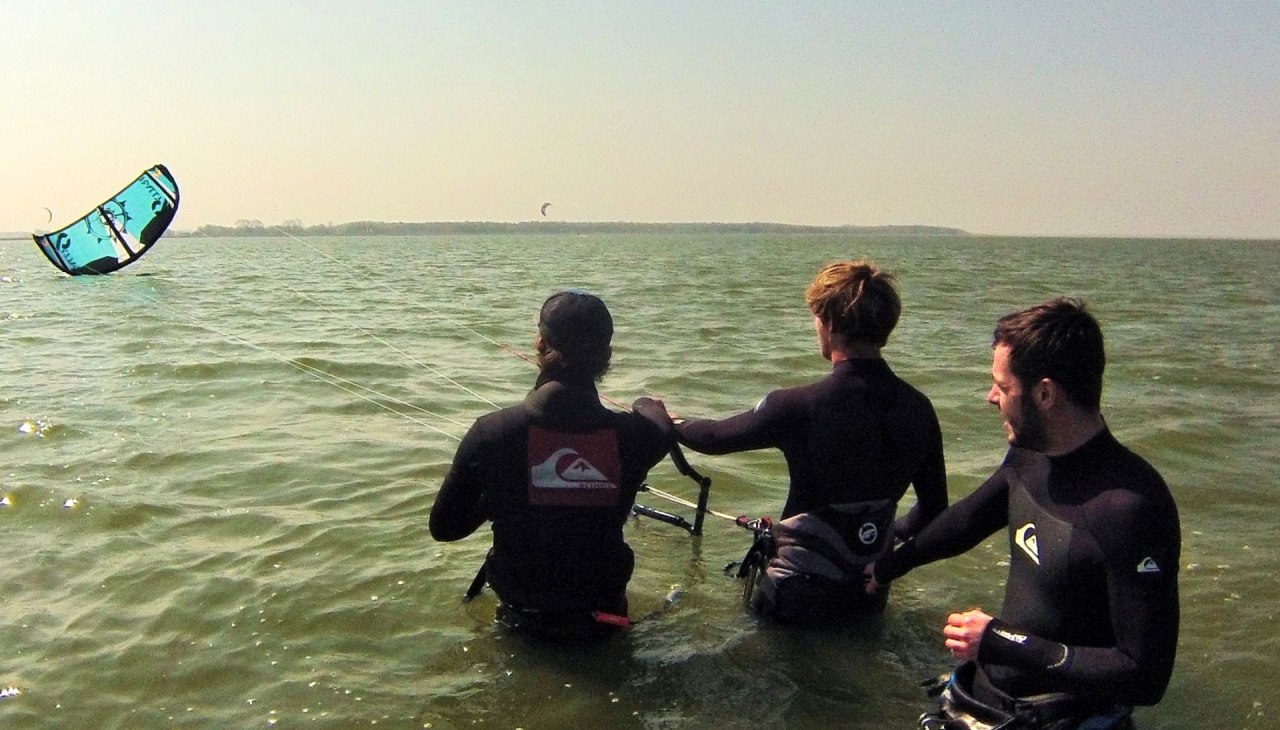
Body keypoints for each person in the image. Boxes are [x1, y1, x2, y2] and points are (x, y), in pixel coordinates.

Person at [867, 298, 1181, 729]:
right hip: (986, 703)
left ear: (1045, 394)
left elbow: (1145, 676)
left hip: (1061, 719)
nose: (990, 397)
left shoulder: (1130, 508)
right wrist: (885, 568)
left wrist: (1000, 641)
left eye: (1002, 386)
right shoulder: (1029, 457)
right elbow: (968, 520)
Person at [635, 260, 948, 624]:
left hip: (798, 597)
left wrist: (656, 412)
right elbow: (934, 509)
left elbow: (712, 439)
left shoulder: (799, 405)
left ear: (829, 323)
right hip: (868, 594)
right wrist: (873, 537)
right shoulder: (918, 408)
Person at [429, 290, 670, 641]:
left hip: (521, 623)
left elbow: (445, 528)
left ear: (540, 344)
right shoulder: (635, 436)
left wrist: (502, 493)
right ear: (606, 355)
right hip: (604, 624)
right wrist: (645, 403)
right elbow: (660, 426)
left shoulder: (493, 432)